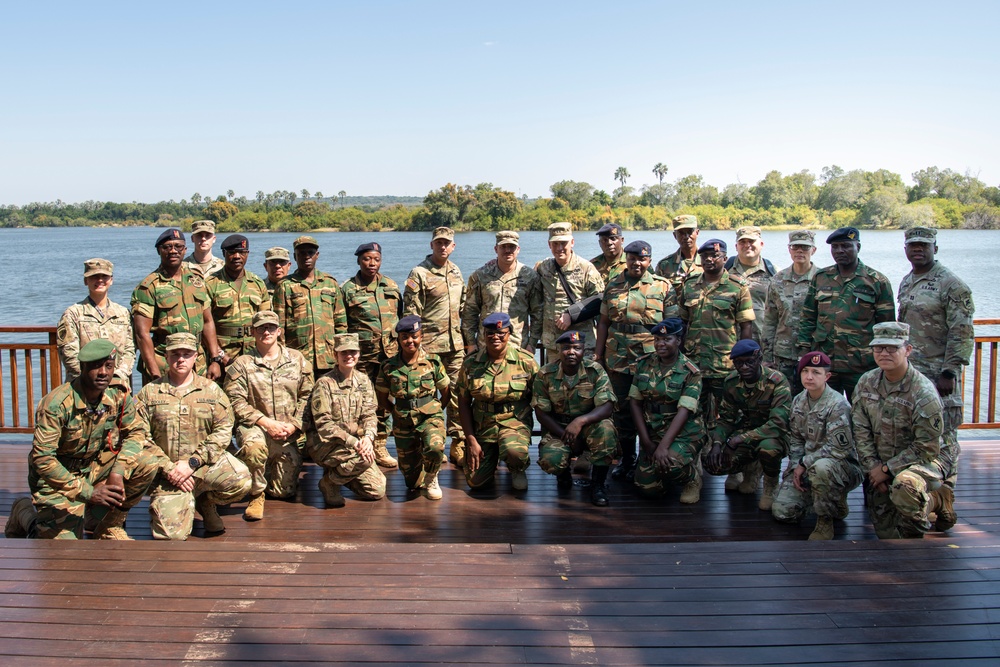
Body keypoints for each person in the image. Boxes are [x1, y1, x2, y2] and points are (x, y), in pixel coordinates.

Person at [4, 340, 158, 540]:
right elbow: (43, 459)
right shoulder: (56, 404)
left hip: (94, 465)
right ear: (83, 367)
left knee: (147, 462)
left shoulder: (117, 393)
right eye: (96, 366)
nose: (103, 372)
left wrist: (118, 471)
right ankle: (24, 513)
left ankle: (107, 524)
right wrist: (88, 492)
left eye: (108, 366)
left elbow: (136, 432)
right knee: (63, 544)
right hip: (58, 477)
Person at [135, 332, 251, 539]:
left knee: (241, 480)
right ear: (166, 357)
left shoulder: (211, 391)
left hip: (201, 465)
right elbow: (139, 437)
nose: (181, 359)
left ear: (196, 356)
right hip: (166, 472)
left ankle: (205, 501)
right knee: (172, 536)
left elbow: (223, 430)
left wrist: (193, 463)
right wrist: (170, 468)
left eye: (186, 354)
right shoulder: (149, 393)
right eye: (175, 354)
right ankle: (182, 500)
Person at [897, 226, 974, 530]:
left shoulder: (952, 285)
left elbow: (962, 331)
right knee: (920, 433)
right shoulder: (907, 281)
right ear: (906, 250)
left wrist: (950, 371)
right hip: (913, 374)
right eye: (913, 245)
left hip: (939, 375)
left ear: (935, 249)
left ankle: (947, 495)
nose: (918, 250)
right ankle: (925, 492)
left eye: (924, 245)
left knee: (946, 436)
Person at [852, 322, 949, 539]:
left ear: (908, 350)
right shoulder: (866, 382)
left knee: (906, 490)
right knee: (887, 533)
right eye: (879, 348)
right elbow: (860, 430)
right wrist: (873, 468)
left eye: (892, 348)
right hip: (881, 465)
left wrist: (887, 469)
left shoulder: (923, 392)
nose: (884, 353)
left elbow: (927, 448)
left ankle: (936, 499)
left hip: (923, 463)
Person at [595, 240, 676, 482]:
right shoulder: (613, 285)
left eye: (642, 259)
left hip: (650, 361)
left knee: (651, 408)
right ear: (626, 259)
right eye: (632, 258)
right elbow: (603, 322)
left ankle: (647, 457)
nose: (636, 263)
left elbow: (672, 327)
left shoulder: (662, 287)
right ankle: (627, 459)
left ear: (649, 260)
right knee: (621, 412)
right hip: (618, 359)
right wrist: (599, 355)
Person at [223, 310, 314, 520]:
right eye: (261, 328)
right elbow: (234, 402)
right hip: (256, 428)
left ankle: (264, 471)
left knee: (284, 491)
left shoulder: (297, 360)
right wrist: (265, 422)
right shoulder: (242, 364)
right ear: (253, 332)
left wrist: (294, 425)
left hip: (287, 431)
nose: (267, 331)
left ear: (279, 331)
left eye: (271, 327)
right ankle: (256, 493)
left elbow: (308, 397)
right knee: (254, 448)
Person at [771, 351, 863, 540]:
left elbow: (840, 449)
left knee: (822, 468)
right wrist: (796, 466)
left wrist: (805, 463)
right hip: (807, 466)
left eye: (816, 372)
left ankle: (825, 521)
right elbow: (796, 439)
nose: (809, 377)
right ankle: (829, 500)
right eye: (805, 371)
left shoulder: (837, 405)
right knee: (783, 511)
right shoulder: (799, 401)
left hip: (842, 467)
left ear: (827, 376)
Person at [798, 227, 895, 399]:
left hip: (861, 365)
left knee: (863, 413)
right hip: (824, 363)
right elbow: (808, 318)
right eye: (835, 247)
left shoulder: (876, 281)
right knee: (823, 412)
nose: (839, 251)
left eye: (846, 246)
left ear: (858, 247)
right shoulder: (821, 277)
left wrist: (885, 363)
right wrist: (805, 354)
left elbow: (886, 327)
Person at [403, 227, 467, 466]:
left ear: (453, 246)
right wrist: (414, 348)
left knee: (456, 394)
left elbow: (463, 306)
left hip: (455, 346)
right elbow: (411, 314)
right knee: (426, 397)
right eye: (438, 243)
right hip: (429, 347)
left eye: (447, 243)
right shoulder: (419, 273)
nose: (442, 247)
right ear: (431, 245)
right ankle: (428, 443)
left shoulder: (456, 271)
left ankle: (457, 443)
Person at [131, 228, 226, 385]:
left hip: (198, 361)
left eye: (178, 246)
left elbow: (208, 321)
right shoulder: (149, 286)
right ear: (159, 251)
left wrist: (215, 359)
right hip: (165, 361)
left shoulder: (196, 279)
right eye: (167, 247)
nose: (173, 251)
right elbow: (142, 334)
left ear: (185, 250)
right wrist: (155, 373)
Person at [533, 330, 617, 506]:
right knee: (551, 460)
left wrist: (580, 422)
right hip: (559, 429)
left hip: (589, 426)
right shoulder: (545, 374)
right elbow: (541, 412)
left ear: (583, 350)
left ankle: (598, 484)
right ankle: (563, 476)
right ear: (559, 350)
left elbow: (607, 406)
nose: (571, 352)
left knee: (606, 431)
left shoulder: (595, 371)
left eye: (576, 348)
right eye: (566, 348)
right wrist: (568, 436)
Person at [457, 313, 539, 492]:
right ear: (483, 335)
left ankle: (517, 467)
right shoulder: (471, 364)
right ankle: (491, 458)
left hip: (514, 422)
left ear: (509, 333)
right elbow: (463, 403)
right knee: (475, 482)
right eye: (490, 333)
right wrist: (471, 440)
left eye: (501, 333)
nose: (496, 337)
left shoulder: (526, 362)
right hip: (483, 426)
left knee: (513, 451)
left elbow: (539, 399)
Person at [705, 340, 792, 508]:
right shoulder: (731, 382)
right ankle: (750, 469)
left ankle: (770, 484)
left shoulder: (777, 381)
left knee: (769, 448)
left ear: (759, 359)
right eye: (739, 363)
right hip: (745, 432)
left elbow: (777, 423)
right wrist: (716, 444)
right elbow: (725, 420)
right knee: (715, 465)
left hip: (773, 435)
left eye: (749, 362)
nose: (744, 367)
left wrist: (737, 440)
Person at [677, 238, 754, 426]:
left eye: (714, 255)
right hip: (694, 364)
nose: (709, 260)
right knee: (693, 415)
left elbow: (746, 326)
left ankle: (724, 451)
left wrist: (744, 360)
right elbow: (682, 324)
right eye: (705, 256)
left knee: (727, 415)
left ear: (725, 258)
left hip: (725, 365)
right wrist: (680, 358)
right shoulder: (689, 285)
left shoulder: (738, 287)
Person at [629, 318, 706, 504]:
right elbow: (635, 403)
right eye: (656, 339)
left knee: (670, 465)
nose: (660, 344)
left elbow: (684, 411)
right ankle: (667, 469)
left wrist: (663, 447)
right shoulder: (643, 364)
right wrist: (646, 442)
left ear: (678, 341)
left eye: (667, 339)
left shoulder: (691, 371)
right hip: (654, 430)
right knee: (648, 489)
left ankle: (692, 478)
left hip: (685, 432)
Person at [304, 333, 386, 508]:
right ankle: (330, 483)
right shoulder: (325, 383)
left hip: (354, 443)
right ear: (336, 355)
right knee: (364, 459)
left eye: (353, 352)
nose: (349, 356)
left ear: (359, 353)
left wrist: (368, 438)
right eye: (344, 352)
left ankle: (338, 473)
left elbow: (370, 414)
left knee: (377, 490)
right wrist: (354, 442)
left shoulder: (363, 381)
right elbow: (323, 424)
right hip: (325, 444)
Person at [375, 315, 450, 501]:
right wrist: (395, 411)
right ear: (399, 340)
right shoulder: (388, 367)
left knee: (435, 446)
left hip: (430, 417)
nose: (410, 341)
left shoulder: (433, 363)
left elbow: (446, 392)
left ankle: (432, 476)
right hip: (403, 421)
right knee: (412, 483)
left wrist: (437, 410)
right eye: (405, 337)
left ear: (421, 336)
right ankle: (420, 466)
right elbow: (382, 398)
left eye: (414, 336)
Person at [343, 241, 402, 468]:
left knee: (385, 400)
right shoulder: (348, 289)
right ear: (358, 260)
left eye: (376, 259)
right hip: (363, 358)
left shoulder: (391, 285)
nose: (372, 264)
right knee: (363, 402)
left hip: (389, 355)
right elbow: (342, 324)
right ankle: (361, 445)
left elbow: (401, 316)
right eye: (367, 259)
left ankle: (380, 446)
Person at [272, 235, 347, 378]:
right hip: (298, 357)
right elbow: (279, 327)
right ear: (295, 256)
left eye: (310, 253)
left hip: (328, 357)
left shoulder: (330, 283)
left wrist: (341, 353)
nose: (306, 256)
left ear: (317, 255)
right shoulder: (285, 286)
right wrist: (283, 358)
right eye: (301, 253)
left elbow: (341, 323)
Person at [56, 258, 135, 389]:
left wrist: (118, 375)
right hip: (82, 386)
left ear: (111, 280)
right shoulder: (73, 313)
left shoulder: (123, 313)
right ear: (85, 281)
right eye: (94, 276)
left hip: (117, 385)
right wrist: (92, 378)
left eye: (104, 276)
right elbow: (69, 353)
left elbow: (130, 350)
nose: (100, 280)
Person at [462, 230, 542, 354]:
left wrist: (532, 344)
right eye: (503, 247)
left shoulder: (530, 276)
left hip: (518, 346)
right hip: (486, 345)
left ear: (518, 249)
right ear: (496, 249)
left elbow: (537, 313)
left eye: (511, 247)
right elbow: (470, 312)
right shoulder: (480, 276)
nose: (507, 250)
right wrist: (471, 343)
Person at [534, 222, 605, 361]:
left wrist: (571, 315)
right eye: (555, 244)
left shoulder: (586, 268)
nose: (559, 248)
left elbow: (601, 299)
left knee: (583, 382)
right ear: (549, 245)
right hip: (554, 345)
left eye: (563, 243)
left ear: (572, 242)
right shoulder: (543, 267)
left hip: (581, 345)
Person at [762, 231, 819, 394]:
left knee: (812, 398)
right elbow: (770, 321)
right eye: (795, 247)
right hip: (783, 354)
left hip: (812, 352)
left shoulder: (822, 279)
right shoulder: (777, 280)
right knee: (783, 397)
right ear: (789, 250)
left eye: (805, 247)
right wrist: (767, 358)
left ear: (813, 250)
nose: (800, 251)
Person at [205, 234, 270, 365]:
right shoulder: (211, 284)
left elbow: (266, 322)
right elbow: (204, 324)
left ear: (247, 254)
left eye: (241, 252)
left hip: (254, 354)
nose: (237, 257)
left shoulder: (257, 283)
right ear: (224, 253)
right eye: (232, 252)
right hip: (223, 354)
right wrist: (218, 357)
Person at [726, 225, 775, 344]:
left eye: (751, 241)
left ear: (761, 244)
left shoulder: (774, 273)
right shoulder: (724, 272)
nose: (747, 245)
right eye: (742, 242)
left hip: (762, 341)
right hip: (728, 342)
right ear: (736, 246)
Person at [654, 214, 702, 297]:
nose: (686, 237)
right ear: (675, 235)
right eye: (681, 233)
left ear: (697, 233)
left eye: (690, 232)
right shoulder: (664, 265)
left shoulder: (709, 262)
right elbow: (657, 294)